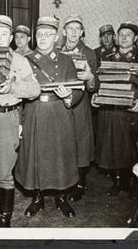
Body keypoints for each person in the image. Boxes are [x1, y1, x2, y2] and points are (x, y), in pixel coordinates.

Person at [15, 16, 82, 218]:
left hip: (59, 113)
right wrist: (18, 122)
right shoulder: (25, 60)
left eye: (48, 34)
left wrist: (69, 95)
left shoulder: (65, 60)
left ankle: (62, 197)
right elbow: (17, 93)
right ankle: (37, 198)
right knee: (35, 157)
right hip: (34, 112)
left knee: (60, 158)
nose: (43, 38)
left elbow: (78, 88)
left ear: (55, 38)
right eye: (40, 34)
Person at [0, 15, 40, 227]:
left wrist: (13, 88)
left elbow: (34, 90)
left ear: (11, 37)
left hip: (6, 119)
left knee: (4, 174)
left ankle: (4, 225)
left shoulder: (20, 61)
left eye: (4, 34)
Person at [93, 21, 138, 197]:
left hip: (131, 112)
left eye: (128, 35)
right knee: (112, 148)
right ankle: (118, 182)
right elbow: (101, 83)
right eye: (121, 35)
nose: (124, 37)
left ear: (135, 38)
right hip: (111, 110)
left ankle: (135, 184)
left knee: (131, 149)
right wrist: (96, 97)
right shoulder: (108, 58)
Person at [60, 14, 99, 202]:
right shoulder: (56, 50)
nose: (73, 32)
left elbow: (95, 83)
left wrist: (90, 77)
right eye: (70, 28)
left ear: (82, 32)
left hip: (80, 104)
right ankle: (64, 181)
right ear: (63, 31)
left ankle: (80, 183)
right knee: (62, 143)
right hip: (59, 103)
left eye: (77, 29)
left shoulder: (88, 52)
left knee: (80, 144)